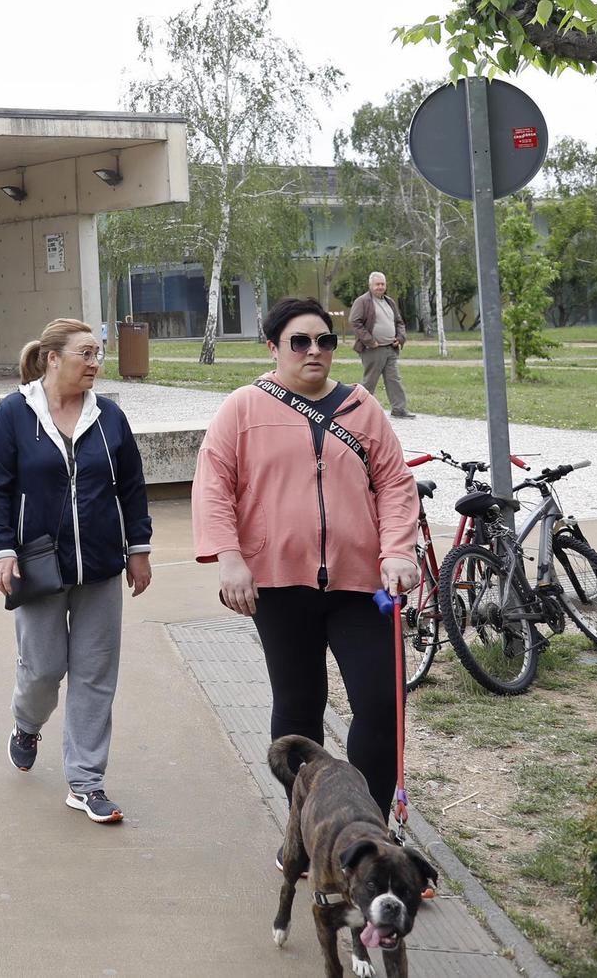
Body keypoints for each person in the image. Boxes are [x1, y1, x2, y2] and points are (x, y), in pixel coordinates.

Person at [192, 296, 418, 824]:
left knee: (382, 704)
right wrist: (230, 558)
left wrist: (398, 551)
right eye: (300, 341)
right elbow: (213, 486)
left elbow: (394, 482)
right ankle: (308, 828)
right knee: (298, 712)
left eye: (324, 340)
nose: (314, 351)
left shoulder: (362, 406)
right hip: (279, 584)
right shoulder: (243, 408)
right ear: (274, 348)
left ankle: (368, 830)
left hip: (361, 584)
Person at [0, 317, 154, 824]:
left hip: (101, 564)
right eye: (86, 353)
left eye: (98, 353)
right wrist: (2, 551)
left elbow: (132, 486)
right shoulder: (14, 414)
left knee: (96, 674)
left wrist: (137, 548)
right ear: (53, 358)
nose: (95, 363)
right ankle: (26, 724)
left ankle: (86, 781)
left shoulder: (110, 416)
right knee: (43, 669)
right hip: (37, 565)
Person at [348, 271, 411, 418]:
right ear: (370, 285)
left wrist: (400, 338)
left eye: (382, 284)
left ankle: (399, 409)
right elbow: (355, 322)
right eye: (377, 284)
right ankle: (358, 411)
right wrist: (370, 341)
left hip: (391, 348)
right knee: (370, 381)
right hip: (373, 349)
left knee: (394, 379)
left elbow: (399, 322)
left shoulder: (390, 302)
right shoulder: (363, 301)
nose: (380, 287)